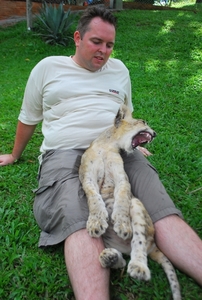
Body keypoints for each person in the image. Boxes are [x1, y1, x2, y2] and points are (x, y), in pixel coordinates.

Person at [0, 6, 202, 300]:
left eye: (109, 45)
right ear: (78, 37)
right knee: (77, 218)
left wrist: (134, 143)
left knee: (161, 211)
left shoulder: (119, 70)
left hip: (117, 150)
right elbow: (28, 116)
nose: (104, 51)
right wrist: (15, 154)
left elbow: (126, 115)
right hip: (64, 153)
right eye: (96, 42)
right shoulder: (47, 68)